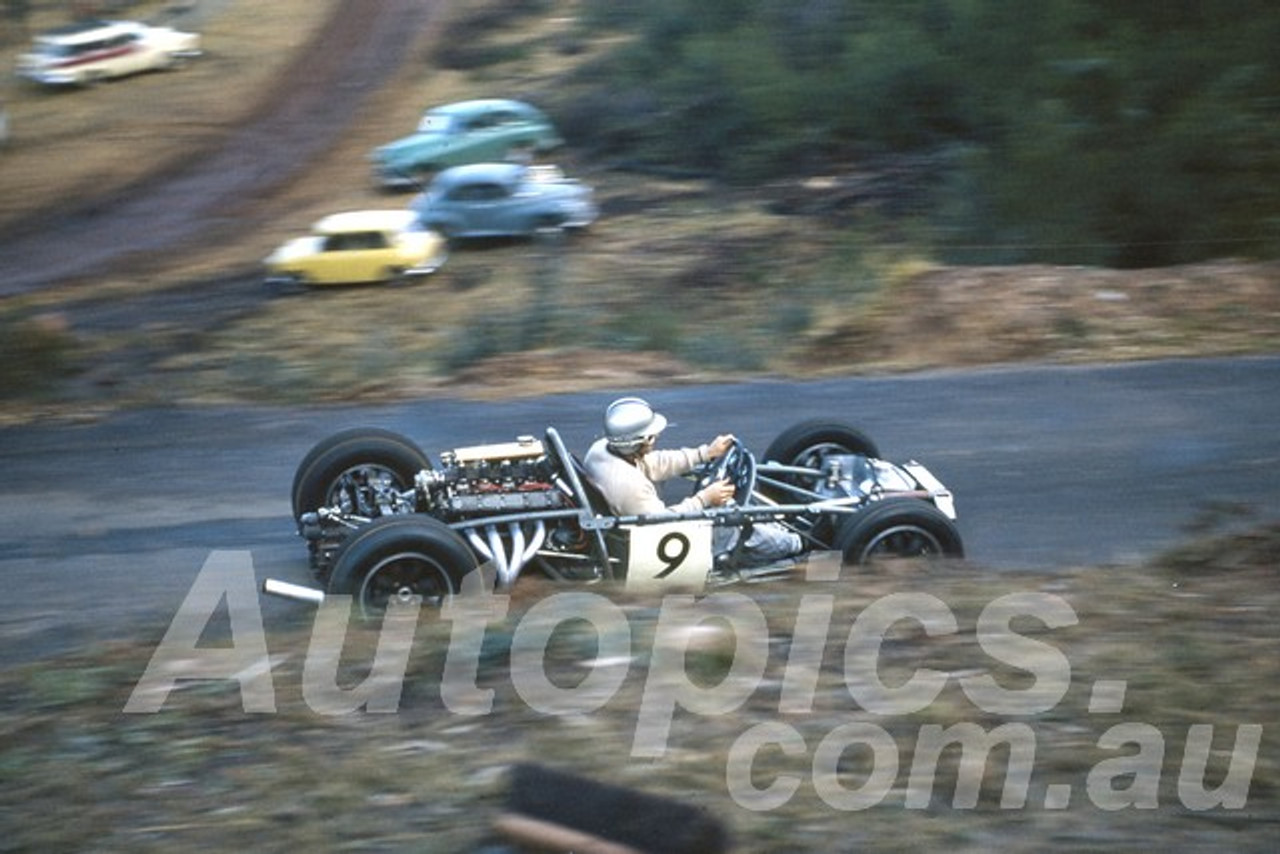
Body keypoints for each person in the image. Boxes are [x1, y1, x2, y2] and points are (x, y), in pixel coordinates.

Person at [582, 397, 803, 569]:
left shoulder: (603, 449)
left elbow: (655, 462)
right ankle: (799, 543)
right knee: (735, 527)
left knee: (729, 508)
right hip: (650, 543)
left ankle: (781, 526)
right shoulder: (629, 486)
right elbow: (663, 524)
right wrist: (704, 499)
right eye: (650, 437)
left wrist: (705, 453)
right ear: (636, 443)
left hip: (632, 524)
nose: (655, 439)